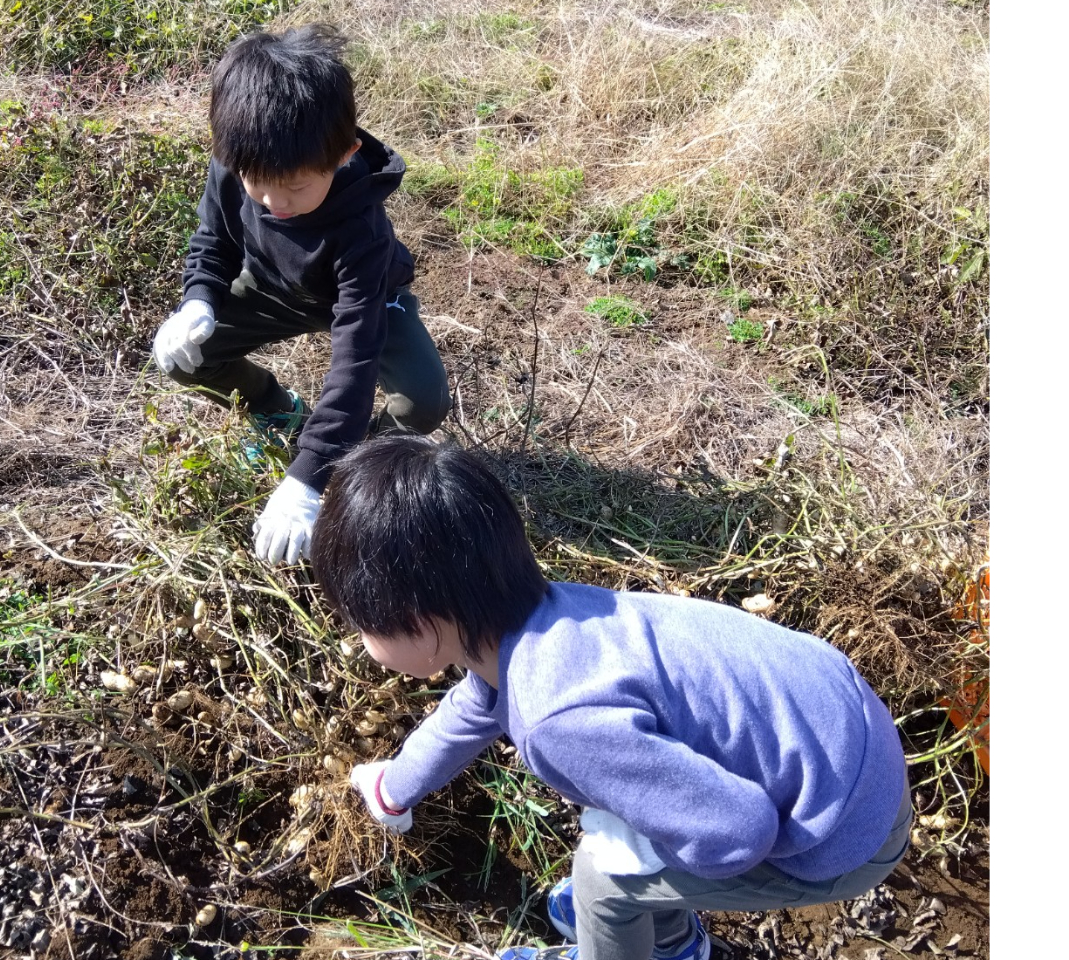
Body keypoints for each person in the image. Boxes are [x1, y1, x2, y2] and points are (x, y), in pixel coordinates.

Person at [310, 435, 913, 960]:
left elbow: (740, 830)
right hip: (847, 739)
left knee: (605, 879)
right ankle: (668, 935)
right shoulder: (542, 618)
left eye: (361, 622)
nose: (359, 637)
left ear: (420, 622)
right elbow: (473, 708)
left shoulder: (557, 718)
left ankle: (660, 946)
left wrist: (640, 859)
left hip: (842, 830)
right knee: (635, 819)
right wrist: (393, 789)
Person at [151, 24, 451, 566]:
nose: (272, 201)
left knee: (423, 401)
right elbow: (212, 240)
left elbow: (353, 360)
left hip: (366, 300)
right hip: (270, 286)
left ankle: (357, 457)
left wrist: (310, 475)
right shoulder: (241, 157)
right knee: (186, 359)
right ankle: (276, 408)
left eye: (294, 187)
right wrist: (197, 299)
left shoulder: (361, 231)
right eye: (256, 182)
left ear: (343, 155)